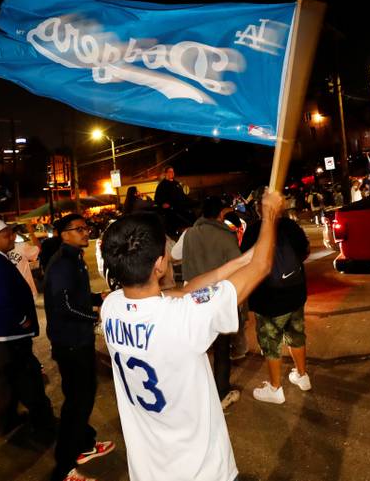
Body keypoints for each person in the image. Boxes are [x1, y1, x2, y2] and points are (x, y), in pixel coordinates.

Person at [99, 189, 283, 481]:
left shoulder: (111, 306)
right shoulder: (182, 318)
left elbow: (186, 290)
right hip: (201, 470)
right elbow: (263, 267)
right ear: (159, 265)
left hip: (149, 469)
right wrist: (270, 215)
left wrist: (240, 261)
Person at [44, 213, 114, 481]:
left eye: (86, 228)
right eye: (79, 229)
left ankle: (85, 444)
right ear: (64, 234)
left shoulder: (73, 259)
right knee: (78, 401)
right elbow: (65, 305)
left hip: (76, 339)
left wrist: (99, 297)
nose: (86, 232)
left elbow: (77, 296)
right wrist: (96, 316)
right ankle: (64, 468)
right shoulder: (63, 264)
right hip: (71, 342)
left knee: (82, 396)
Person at [0, 220, 55, 438]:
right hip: (8, 333)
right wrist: (21, 319)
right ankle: (43, 423)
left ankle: (5, 421)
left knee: (5, 379)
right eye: (7, 235)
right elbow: (1, 298)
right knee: (28, 378)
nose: (12, 238)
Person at [241, 215, 311, 404]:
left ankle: (275, 388)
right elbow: (305, 250)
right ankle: (302, 376)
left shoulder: (255, 230)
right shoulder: (290, 225)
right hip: (295, 291)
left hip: (269, 297)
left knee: (271, 342)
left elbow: (245, 260)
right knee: (296, 334)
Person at [181, 196, 243, 409]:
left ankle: (199, 393)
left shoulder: (189, 234)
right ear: (219, 215)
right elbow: (238, 268)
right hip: (218, 302)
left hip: (193, 300)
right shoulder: (226, 236)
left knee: (199, 349)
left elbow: (185, 265)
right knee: (222, 350)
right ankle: (221, 393)